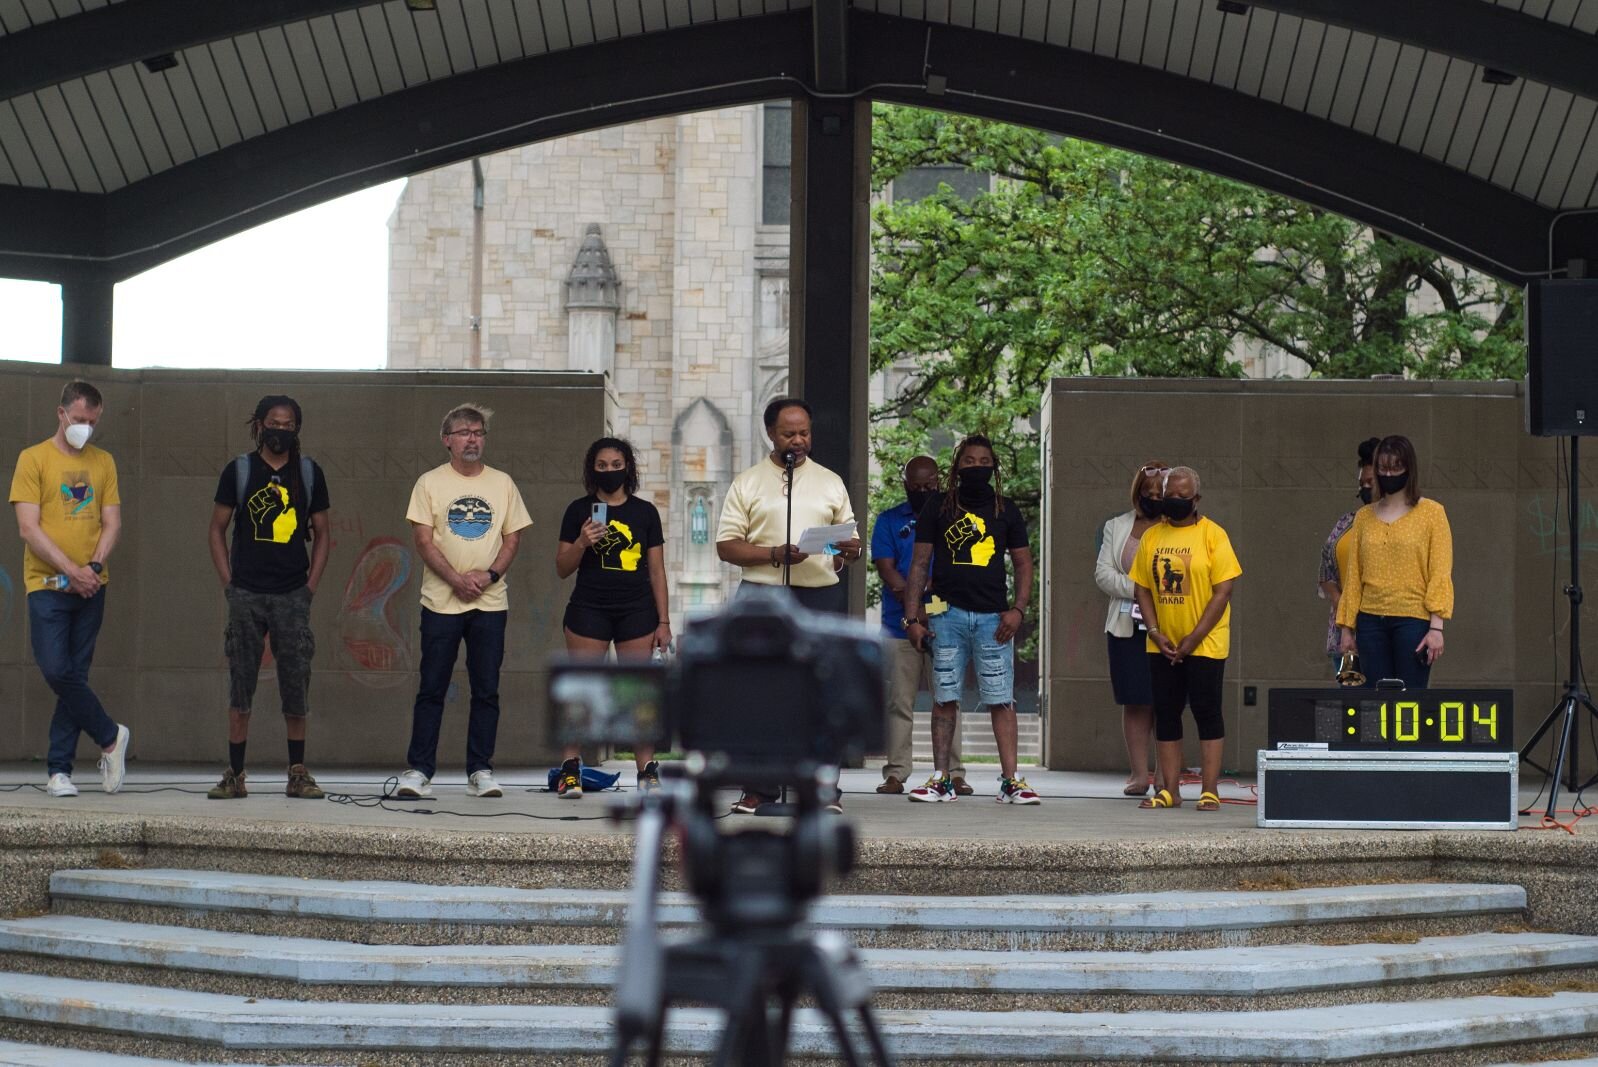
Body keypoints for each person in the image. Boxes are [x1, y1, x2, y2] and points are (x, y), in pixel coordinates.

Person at [715, 397, 861, 814]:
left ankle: (821, 787)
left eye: (805, 433)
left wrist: (847, 550)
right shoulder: (748, 481)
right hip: (762, 597)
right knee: (759, 695)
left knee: (822, 691)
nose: (799, 440)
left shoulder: (830, 480)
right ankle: (759, 787)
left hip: (818, 595)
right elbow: (727, 546)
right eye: (789, 433)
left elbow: (842, 545)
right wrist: (773, 554)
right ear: (771, 435)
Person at [394, 404, 532, 799]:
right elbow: (423, 539)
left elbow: (513, 537)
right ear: (446, 440)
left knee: (486, 689)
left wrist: (488, 577)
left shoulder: (503, 483)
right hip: (440, 602)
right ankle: (418, 771)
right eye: (463, 432)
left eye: (478, 431)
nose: (472, 438)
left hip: (490, 605)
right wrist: (456, 579)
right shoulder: (429, 483)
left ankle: (481, 770)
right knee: (432, 687)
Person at [205, 396, 331, 800]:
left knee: (296, 684)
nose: (281, 429)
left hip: (292, 593)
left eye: (289, 424)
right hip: (246, 593)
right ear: (259, 425)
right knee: (241, 684)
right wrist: (230, 583)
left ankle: (297, 772)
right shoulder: (239, 471)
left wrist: (310, 587)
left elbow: (324, 533)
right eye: (275, 422)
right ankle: (235, 774)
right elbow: (216, 530)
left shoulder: (309, 473)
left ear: (297, 429)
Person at [9, 380, 130, 797]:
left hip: (92, 584)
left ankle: (59, 771)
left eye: (92, 422)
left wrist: (93, 567)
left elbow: (111, 521)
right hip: (46, 584)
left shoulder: (104, 462)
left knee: (74, 675)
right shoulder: (33, 459)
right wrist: (71, 570)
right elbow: (29, 527)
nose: (85, 428)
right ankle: (111, 736)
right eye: (79, 419)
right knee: (57, 670)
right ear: (61, 414)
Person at [904, 434, 1039, 805]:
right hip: (945, 615)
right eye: (969, 461)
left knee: (1001, 698)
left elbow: (1024, 563)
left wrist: (1019, 609)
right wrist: (912, 617)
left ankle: (1011, 780)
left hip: (994, 617)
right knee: (944, 696)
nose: (976, 467)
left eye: (984, 461)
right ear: (957, 467)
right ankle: (941, 779)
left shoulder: (1006, 510)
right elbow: (918, 564)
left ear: (994, 467)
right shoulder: (937, 506)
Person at [554, 437, 670, 798]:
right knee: (582, 690)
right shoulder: (578, 511)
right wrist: (582, 543)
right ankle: (570, 768)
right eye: (601, 466)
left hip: (637, 610)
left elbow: (656, 570)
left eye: (615, 464)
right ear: (592, 470)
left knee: (635, 692)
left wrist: (664, 621)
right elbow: (561, 567)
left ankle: (646, 770)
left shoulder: (645, 512)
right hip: (589, 608)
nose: (609, 471)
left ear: (627, 467)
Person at [1131, 466, 1241, 812]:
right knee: (1166, 713)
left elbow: (1223, 591)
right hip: (1162, 643)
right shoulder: (1152, 537)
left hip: (1205, 643)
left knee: (1207, 711)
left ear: (1196, 499)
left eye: (1182, 497)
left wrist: (1194, 638)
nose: (1174, 502)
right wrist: (1154, 631)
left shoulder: (1213, 535)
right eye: (1169, 496)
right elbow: (1142, 589)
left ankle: (1209, 790)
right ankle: (1169, 790)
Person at [871, 455, 967, 796]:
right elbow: (889, 573)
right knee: (899, 702)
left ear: (940, 483)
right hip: (899, 628)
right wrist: (916, 598)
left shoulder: (953, 519)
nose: (924, 491)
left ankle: (954, 773)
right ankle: (896, 773)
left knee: (948, 698)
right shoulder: (888, 521)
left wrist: (924, 597)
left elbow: (954, 573)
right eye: (917, 487)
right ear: (906, 486)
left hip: (945, 624)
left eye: (930, 486)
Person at [1336, 435, 1453, 689]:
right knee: (1374, 706)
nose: (1389, 474)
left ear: (1409, 469)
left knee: (1409, 703)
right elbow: (1354, 575)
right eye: (1383, 468)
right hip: (1369, 621)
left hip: (1413, 620)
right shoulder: (1364, 517)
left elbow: (1440, 571)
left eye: (1396, 467)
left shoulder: (1432, 513)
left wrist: (1437, 628)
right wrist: (1346, 629)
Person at [1094, 461, 1166, 797]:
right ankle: (1140, 774)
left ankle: (1167, 775)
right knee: (1135, 700)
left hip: (1170, 626)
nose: (1152, 497)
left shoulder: (1183, 528)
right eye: (1146, 492)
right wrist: (1139, 589)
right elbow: (1103, 574)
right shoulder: (1117, 526)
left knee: (1166, 700)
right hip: (1126, 626)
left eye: (1159, 492)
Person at [1317, 438, 1380, 676]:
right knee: (1351, 703)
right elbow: (1326, 570)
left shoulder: (1398, 526)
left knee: (1382, 703)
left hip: (1380, 628)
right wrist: (1338, 599)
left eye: (1371, 482)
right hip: (1343, 635)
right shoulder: (1346, 522)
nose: (1365, 488)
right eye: (1361, 483)